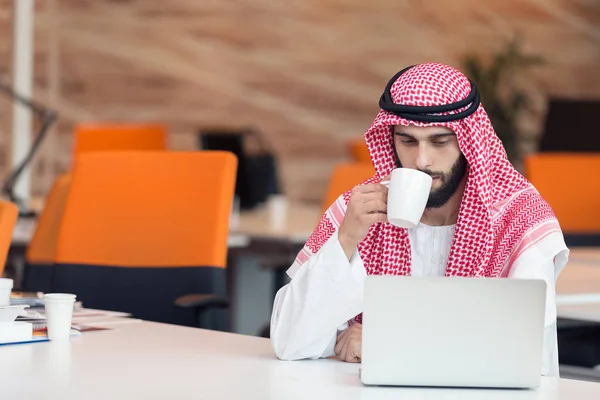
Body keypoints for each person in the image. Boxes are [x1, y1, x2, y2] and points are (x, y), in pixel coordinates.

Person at [269, 62, 569, 377]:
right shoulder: (360, 212)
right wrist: (346, 240)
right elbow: (290, 342)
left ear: (469, 143)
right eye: (408, 141)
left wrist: (383, 342)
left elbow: (522, 355)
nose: (421, 161)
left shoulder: (518, 218)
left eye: (440, 142)